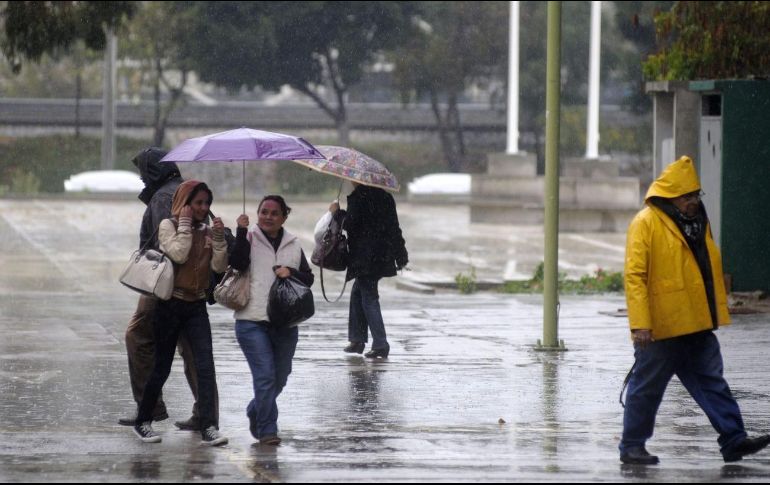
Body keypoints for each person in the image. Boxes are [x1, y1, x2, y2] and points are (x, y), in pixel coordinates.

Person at [620, 155, 770, 464]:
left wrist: (714, 312)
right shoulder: (646, 222)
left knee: (712, 381)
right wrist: (640, 324)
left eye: (695, 194)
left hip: (696, 323)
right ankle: (632, 446)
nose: (693, 201)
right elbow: (635, 276)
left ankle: (734, 439)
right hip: (661, 327)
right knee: (647, 388)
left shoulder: (697, 223)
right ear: (671, 196)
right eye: (687, 196)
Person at [120, 148, 219, 432]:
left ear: (152, 171)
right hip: (184, 286)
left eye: (143, 172)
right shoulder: (179, 190)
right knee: (193, 353)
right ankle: (205, 414)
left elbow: (174, 248)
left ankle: (151, 408)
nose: (141, 179)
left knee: (140, 337)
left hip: (168, 285)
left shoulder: (165, 196)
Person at [132, 180, 228, 446]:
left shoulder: (207, 231)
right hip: (170, 305)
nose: (203, 208)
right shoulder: (168, 226)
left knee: (205, 367)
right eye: (197, 203)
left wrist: (218, 239)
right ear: (184, 203)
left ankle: (209, 426)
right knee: (161, 366)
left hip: (196, 307)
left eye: (206, 203)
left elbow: (219, 267)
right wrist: (185, 226)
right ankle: (143, 421)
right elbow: (178, 255)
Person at [229, 195, 314, 445]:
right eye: (264, 212)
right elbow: (236, 264)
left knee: (281, 375)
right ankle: (268, 429)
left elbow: (307, 279)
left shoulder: (293, 244)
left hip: (285, 323)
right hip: (251, 320)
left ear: (284, 217)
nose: (268, 217)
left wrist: (292, 272)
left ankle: (255, 409)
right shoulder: (248, 238)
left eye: (274, 213)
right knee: (265, 376)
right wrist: (241, 230)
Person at [330, 182, 408, 359]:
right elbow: (394, 228)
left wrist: (336, 212)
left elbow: (351, 224)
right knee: (359, 291)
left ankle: (380, 344)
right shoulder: (386, 198)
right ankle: (357, 340)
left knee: (369, 297)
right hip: (382, 256)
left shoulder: (358, 198)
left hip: (364, 257)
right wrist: (401, 255)